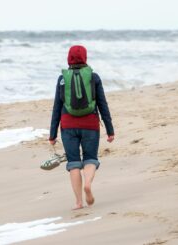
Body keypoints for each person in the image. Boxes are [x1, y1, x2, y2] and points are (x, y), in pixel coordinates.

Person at [49, 45, 114, 210]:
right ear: (85, 58)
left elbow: (57, 107)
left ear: (69, 59)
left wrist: (52, 134)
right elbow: (102, 104)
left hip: (68, 125)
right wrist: (110, 129)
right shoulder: (94, 77)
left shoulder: (62, 79)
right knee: (90, 158)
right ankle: (88, 185)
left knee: (73, 163)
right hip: (90, 124)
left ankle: (78, 202)